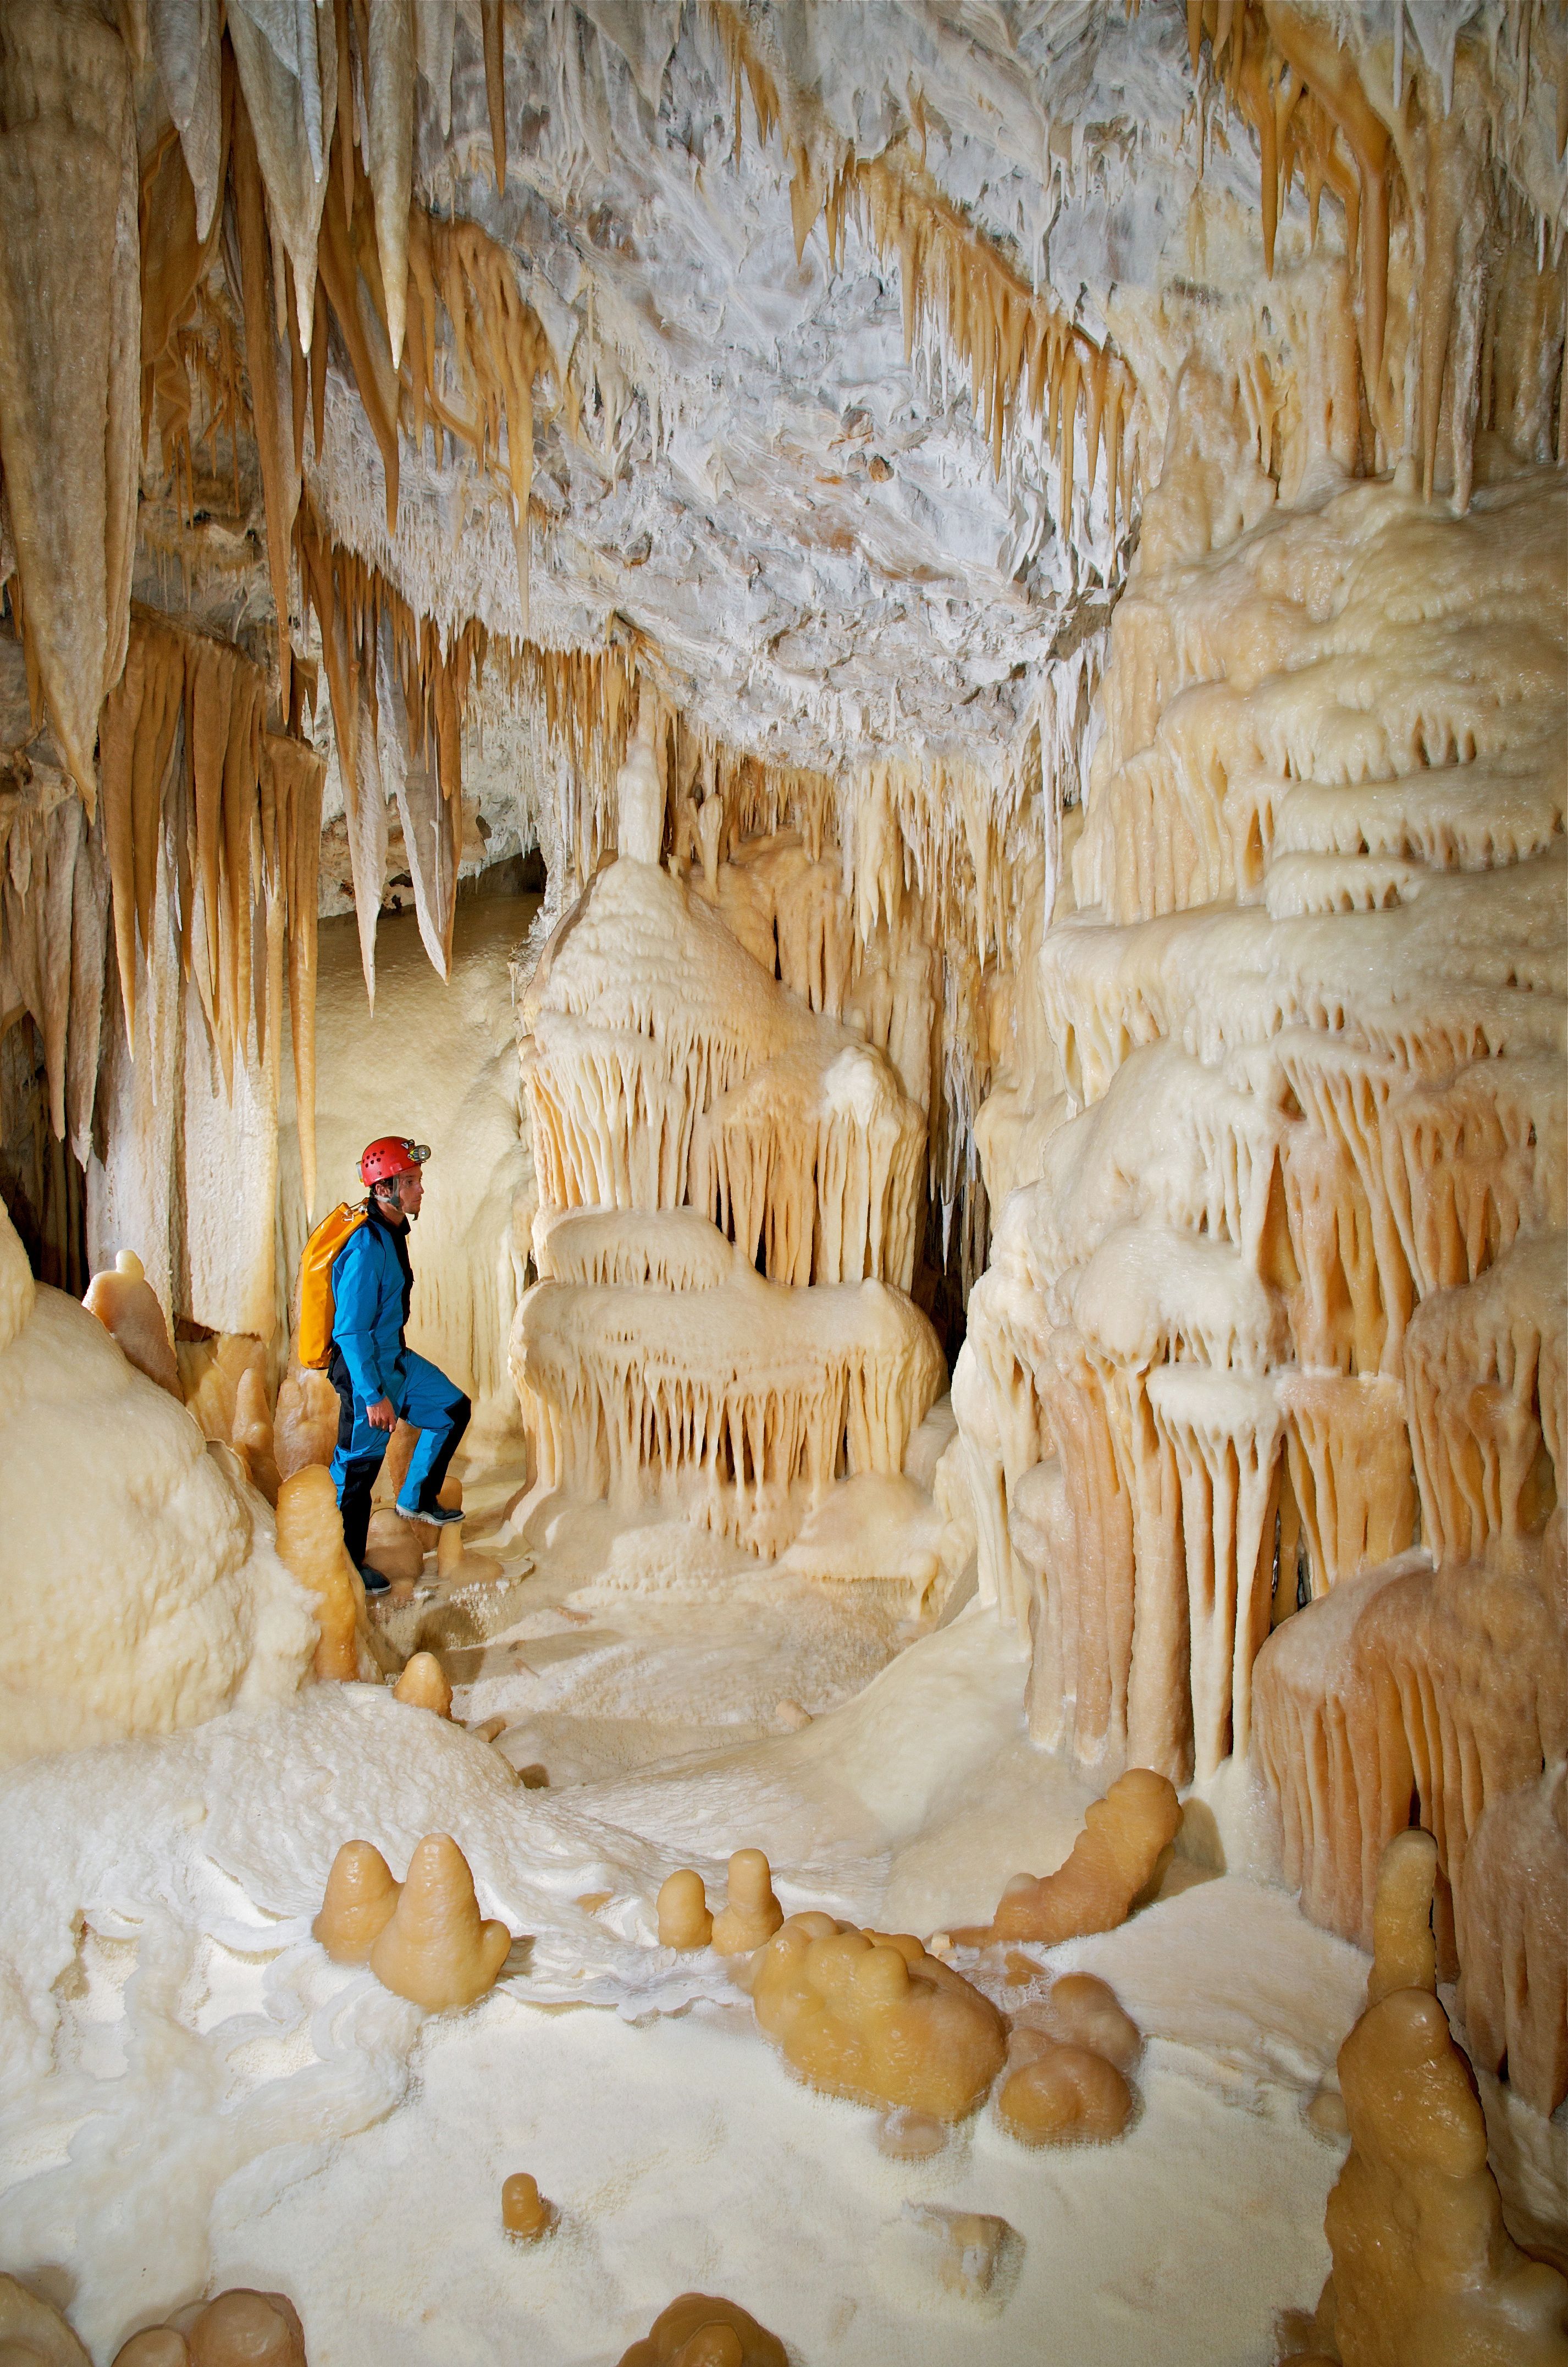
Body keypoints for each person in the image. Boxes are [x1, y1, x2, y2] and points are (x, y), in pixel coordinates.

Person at [329, 1136, 471, 1592]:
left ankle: (418, 1498)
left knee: (452, 1409)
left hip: (397, 1362)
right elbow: (349, 1332)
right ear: (383, 1189)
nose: (420, 1190)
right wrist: (373, 1396)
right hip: (366, 1374)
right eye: (410, 1182)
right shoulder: (367, 1246)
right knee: (357, 1476)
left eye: (419, 1180)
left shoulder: (391, 1231)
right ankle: (343, 1569)